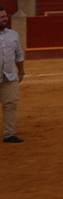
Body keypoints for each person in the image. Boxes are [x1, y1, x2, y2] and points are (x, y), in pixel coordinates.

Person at [0, 9, 25, 144]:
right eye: (1, 17)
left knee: (10, 105)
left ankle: (9, 134)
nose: (4, 19)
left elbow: (18, 55)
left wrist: (21, 71)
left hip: (9, 77)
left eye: (5, 16)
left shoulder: (13, 35)